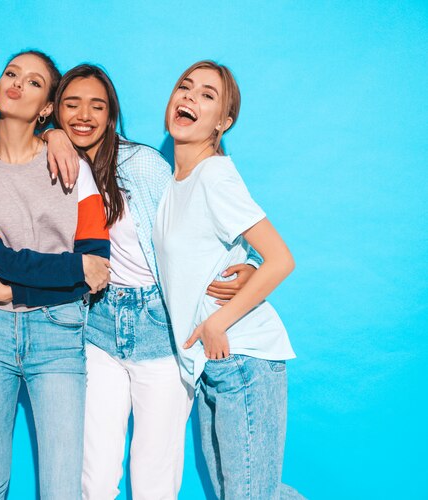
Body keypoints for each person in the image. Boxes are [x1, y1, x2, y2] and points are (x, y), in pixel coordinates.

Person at [50, 64, 260, 499]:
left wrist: (253, 262)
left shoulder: (141, 165)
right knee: (95, 473)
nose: (83, 115)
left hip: (160, 327)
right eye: (71, 105)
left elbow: (201, 225)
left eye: (97, 106)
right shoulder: (52, 166)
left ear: (112, 116)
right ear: (55, 111)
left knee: (153, 478)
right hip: (98, 325)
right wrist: (49, 134)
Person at [0, 51, 110, 500]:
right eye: (11, 74)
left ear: (45, 107)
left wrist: (15, 289)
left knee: (61, 490)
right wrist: (69, 266)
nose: (17, 83)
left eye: (34, 82)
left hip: (58, 334)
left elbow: (95, 270)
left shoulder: (72, 167)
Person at [153, 60, 302, 499]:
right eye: (185, 87)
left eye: (207, 95)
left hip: (242, 358)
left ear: (223, 122)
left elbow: (280, 258)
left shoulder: (215, 175)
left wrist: (220, 322)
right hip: (210, 364)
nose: (190, 98)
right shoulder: (175, 183)